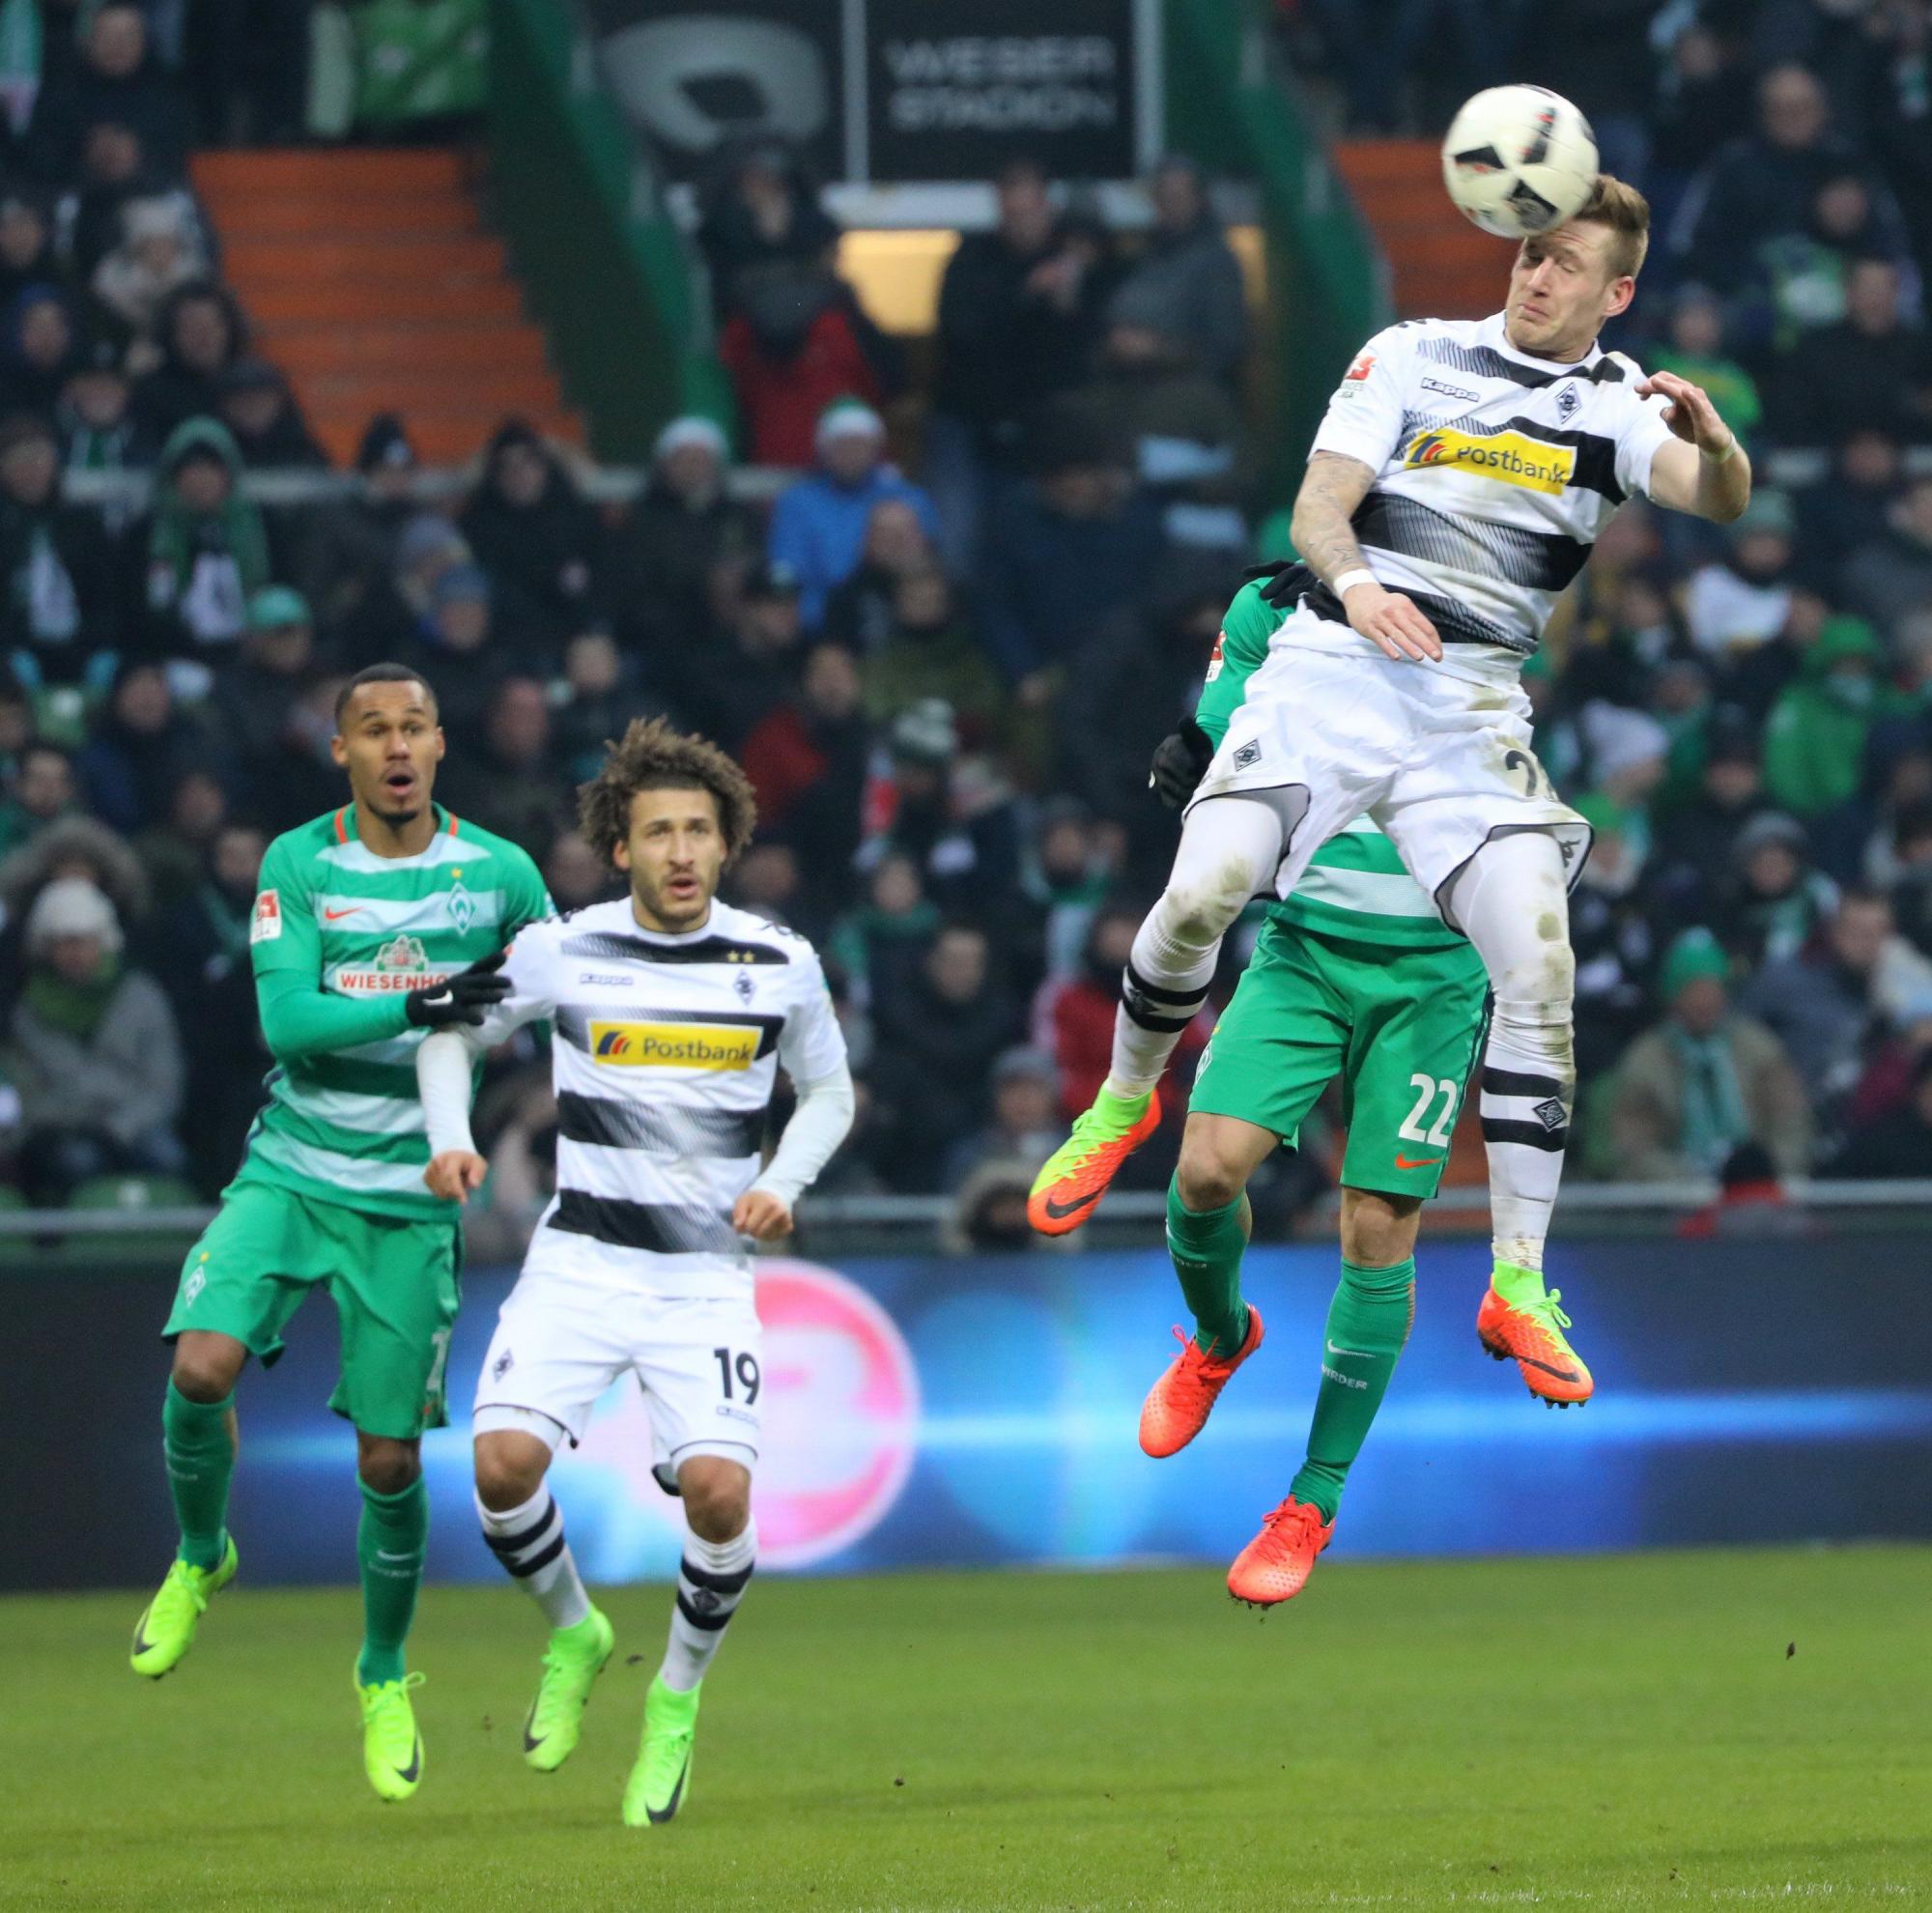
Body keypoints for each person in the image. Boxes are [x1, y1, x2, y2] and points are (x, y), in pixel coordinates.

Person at [1027, 176, 1754, 1399]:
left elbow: (1716, 499)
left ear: (1614, 291)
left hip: (1468, 705)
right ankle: (1118, 1105)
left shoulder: (1620, 407)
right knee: (1204, 884)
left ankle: (1517, 1280)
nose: (1534, 276)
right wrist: (1358, 583)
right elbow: (1317, 506)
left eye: (1566, 264)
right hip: (1333, 663)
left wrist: (1717, 442)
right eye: (1528, 252)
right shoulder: (1411, 353)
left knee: (1537, 956)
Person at [412, 717, 853, 1826]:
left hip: (704, 1277)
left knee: (717, 1492)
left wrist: (783, 1184)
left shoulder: (778, 962)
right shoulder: (564, 948)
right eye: (656, 832)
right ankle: (575, 1631)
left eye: (699, 831)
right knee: (501, 1467)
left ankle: (674, 1701)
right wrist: (446, 1134)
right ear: (620, 847)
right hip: (581, 1263)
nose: (679, 852)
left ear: (726, 841)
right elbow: (449, 1036)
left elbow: (831, 1095)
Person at [130, 664, 553, 1812]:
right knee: (199, 1367)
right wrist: (417, 1007)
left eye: (414, 726)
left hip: (413, 1198)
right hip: (292, 1170)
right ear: (342, 753)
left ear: (441, 744)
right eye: (374, 730)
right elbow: (291, 1024)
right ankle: (200, 1552)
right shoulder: (298, 863)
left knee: (389, 1461)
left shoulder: (500, 873)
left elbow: (560, 985)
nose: (397, 746)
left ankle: (379, 1674)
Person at [1118, 567, 1552, 1609]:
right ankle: (1221, 1337)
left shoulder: (1483, 597)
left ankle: (1310, 1497)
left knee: (1374, 1229)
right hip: (1306, 943)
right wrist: (1195, 753)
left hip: (1433, 971)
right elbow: (1219, 736)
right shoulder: (1273, 605)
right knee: (1207, 1173)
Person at [6, 873, 185, 1204]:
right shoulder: (28, 1012)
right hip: (61, 1131)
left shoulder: (142, 998)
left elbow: (164, 1084)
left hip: (135, 1123)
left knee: (168, 1158)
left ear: (104, 941)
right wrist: (81, 1122)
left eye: (83, 940)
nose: (75, 953)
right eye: (64, 942)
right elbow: (25, 1095)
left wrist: (118, 1127)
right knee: (74, 1163)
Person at [1601, 929, 1811, 1183]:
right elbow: (1633, 1144)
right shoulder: (1645, 1061)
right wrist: (1686, 1182)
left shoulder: (1759, 1049)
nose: (1703, 1001)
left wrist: (1765, 1173)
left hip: (1758, 1191)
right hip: (1674, 1200)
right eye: (1692, 990)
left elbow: (1791, 1122)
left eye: (1711, 989)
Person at [766, 400, 939, 632]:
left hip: (901, 618)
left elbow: (931, 566)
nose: (851, 454)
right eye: (841, 445)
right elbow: (788, 576)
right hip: (824, 625)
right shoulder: (796, 503)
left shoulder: (907, 498)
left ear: (876, 448)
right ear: (823, 449)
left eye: (859, 444)